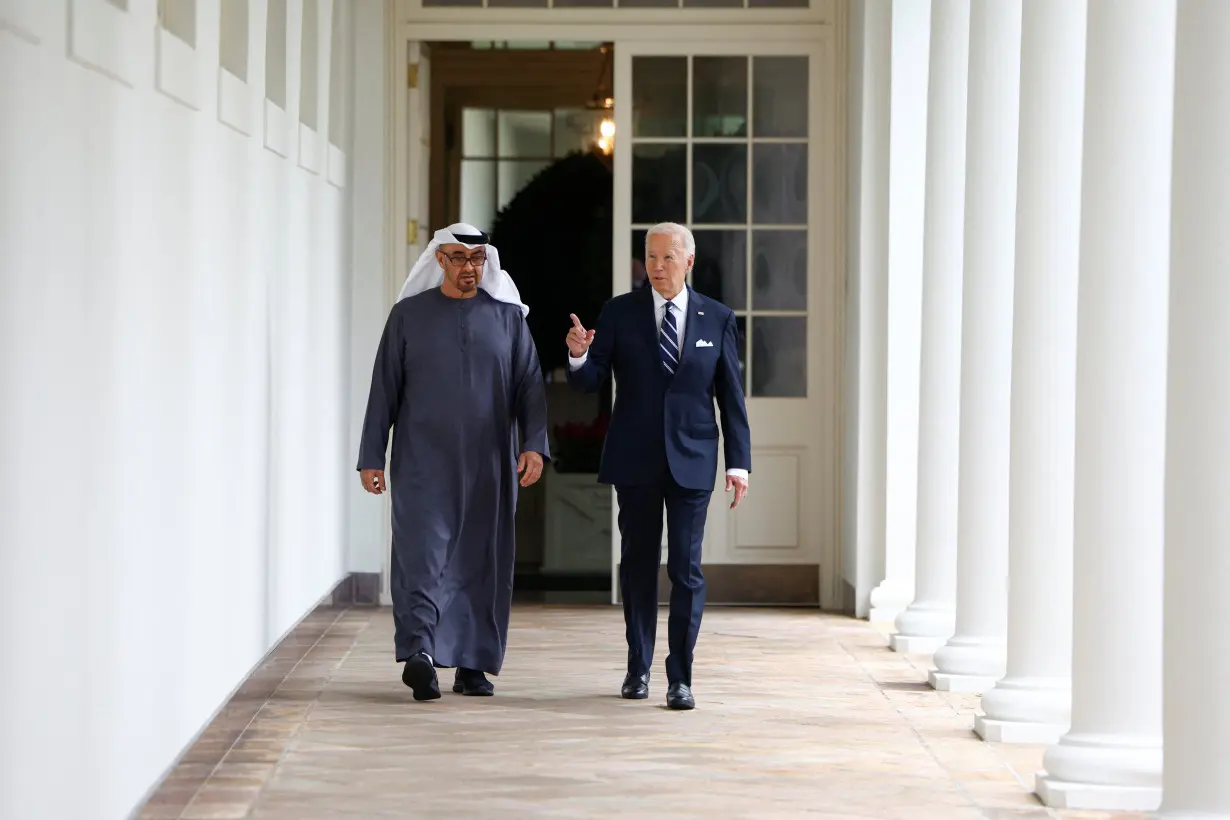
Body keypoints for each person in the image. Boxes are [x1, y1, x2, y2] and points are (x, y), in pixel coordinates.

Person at [357, 223, 550, 701]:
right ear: (439, 261)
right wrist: (370, 456)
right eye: (460, 259)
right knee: (421, 557)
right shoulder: (408, 317)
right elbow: (384, 389)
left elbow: (530, 386)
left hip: (490, 464)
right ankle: (420, 653)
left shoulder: (508, 320)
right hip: (422, 462)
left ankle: (473, 663)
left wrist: (533, 444)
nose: (470, 268)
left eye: (477, 259)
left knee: (481, 562)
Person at [565, 222, 751, 710]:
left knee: (686, 569)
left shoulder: (718, 318)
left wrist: (739, 465)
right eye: (650, 257)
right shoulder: (619, 313)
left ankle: (681, 677)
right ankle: (638, 668)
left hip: (693, 459)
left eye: (667, 258)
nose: (657, 267)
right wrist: (580, 356)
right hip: (636, 459)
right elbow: (590, 384)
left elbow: (731, 398)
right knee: (638, 566)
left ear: (688, 261)